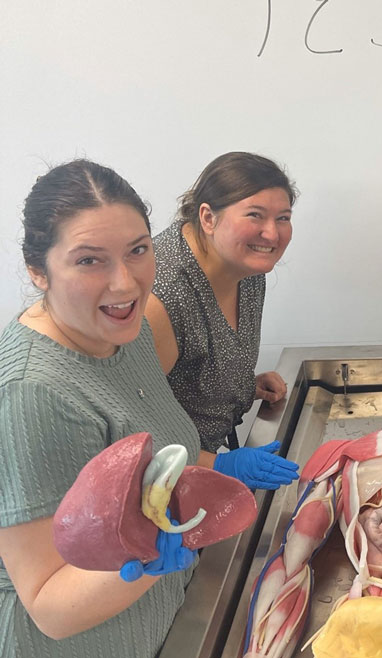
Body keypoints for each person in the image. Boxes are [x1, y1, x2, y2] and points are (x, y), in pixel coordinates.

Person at [0, 160, 200, 657]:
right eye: (90, 261)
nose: (125, 284)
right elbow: (50, 607)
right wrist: (149, 553)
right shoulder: (32, 392)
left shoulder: (123, 332)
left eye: (138, 251)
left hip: (157, 618)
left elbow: (153, 458)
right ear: (37, 271)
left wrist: (219, 467)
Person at [145, 152, 299, 490]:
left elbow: (189, 370)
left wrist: (238, 385)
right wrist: (219, 466)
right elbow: (130, 427)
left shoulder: (246, 267)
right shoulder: (163, 295)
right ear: (208, 218)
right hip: (159, 482)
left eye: (283, 218)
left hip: (197, 467)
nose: (271, 234)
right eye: (255, 215)